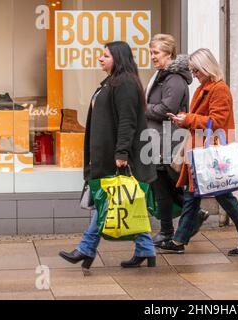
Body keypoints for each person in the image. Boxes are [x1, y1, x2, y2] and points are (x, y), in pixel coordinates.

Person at [59, 41, 158, 269]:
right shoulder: (111, 83)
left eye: (105, 55)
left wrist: (121, 152)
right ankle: (146, 249)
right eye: (101, 55)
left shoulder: (124, 84)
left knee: (110, 200)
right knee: (124, 201)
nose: (100, 59)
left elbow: (127, 121)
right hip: (108, 154)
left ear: (118, 58)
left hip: (121, 157)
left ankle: (86, 248)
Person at [158, 48, 238, 256]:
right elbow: (203, 120)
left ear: (206, 68)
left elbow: (217, 122)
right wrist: (184, 120)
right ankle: (179, 241)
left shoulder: (218, 89)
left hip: (211, 154)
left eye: (196, 71)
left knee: (224, 197)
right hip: (199, 152)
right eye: (192, 70)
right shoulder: (204, 87)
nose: (194, 75)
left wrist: (187, 119)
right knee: (191, 196)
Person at [146, 34, 209, 246]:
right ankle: (173, 227)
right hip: (157, 139)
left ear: (169, 54)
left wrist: (141, 108)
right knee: (164, 186)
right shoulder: (162, 75)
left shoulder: (173, 79)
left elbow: (167, 109)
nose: (152, 56)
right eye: (151, 52)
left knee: (166, 185)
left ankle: (173, 228)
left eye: (156, 52)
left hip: (167, 139)